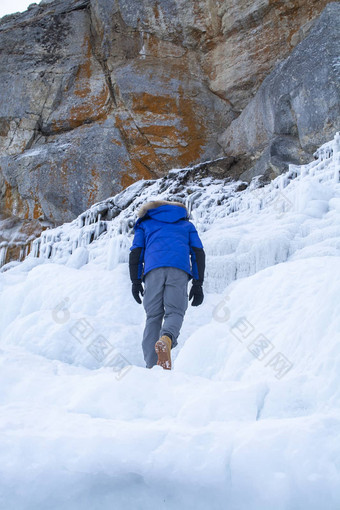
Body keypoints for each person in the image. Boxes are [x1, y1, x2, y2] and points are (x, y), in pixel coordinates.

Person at [129, 200, 205, 370]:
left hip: (152, 271)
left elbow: (136, 252)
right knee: (175, 311)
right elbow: (198, 252)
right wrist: (198, 283)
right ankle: (167, 338)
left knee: (153, 317)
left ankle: (151, 366)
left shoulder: (145, 224)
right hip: (179, 270)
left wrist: (135, 281)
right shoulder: (186, 226)